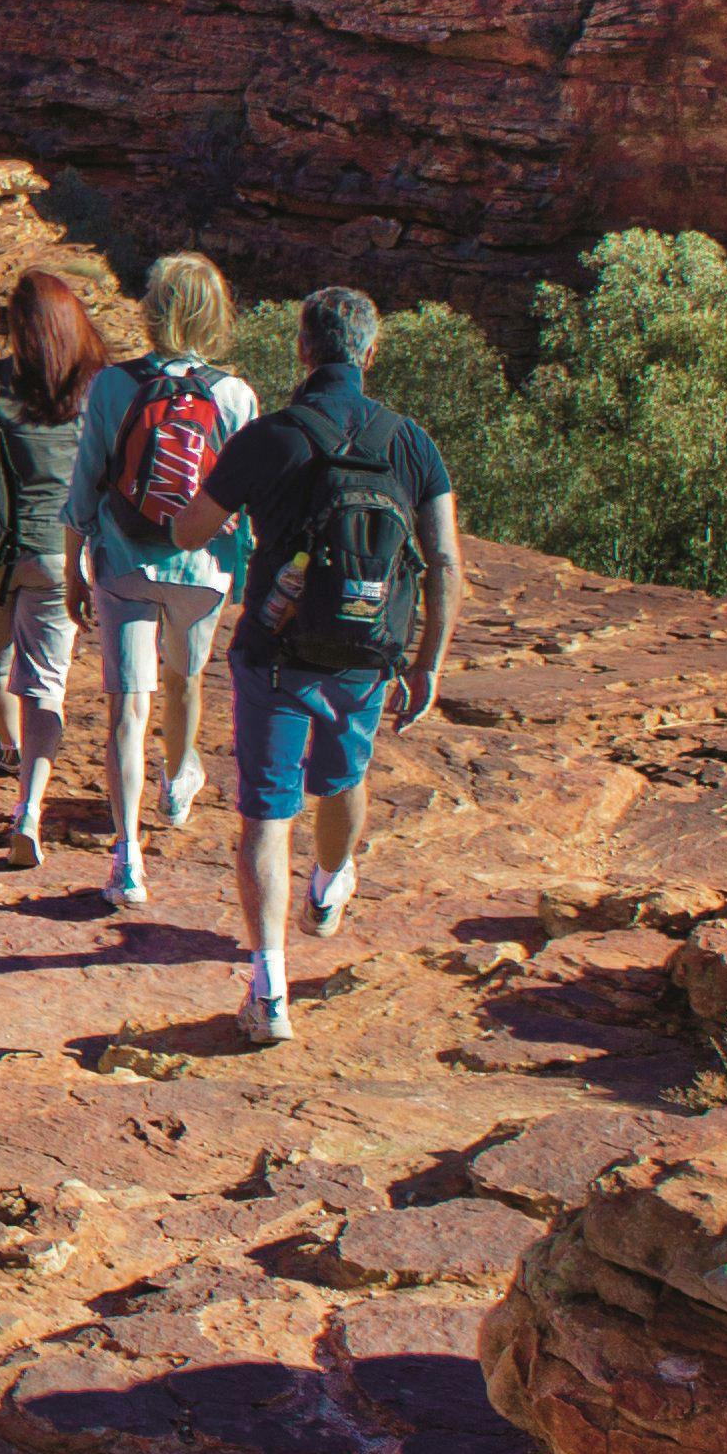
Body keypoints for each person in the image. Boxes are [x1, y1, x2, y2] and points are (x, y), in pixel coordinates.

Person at [168, 285, 461, 1047]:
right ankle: (330, 885)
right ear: (370, 351)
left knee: (267, 817)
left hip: (275, 652)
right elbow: (447, 561)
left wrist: (174, 515)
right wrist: (428, 661)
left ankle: (269, 991)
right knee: (344, 778)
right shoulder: (411, 442)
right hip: (368, 652)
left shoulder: (271, 437)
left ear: (302, 349)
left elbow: (192, 528)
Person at [63, 252, 257, 914]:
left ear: (152, 309)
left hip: (124, 560)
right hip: (203, 570)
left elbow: (87, 479)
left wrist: (73, 564)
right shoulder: (234, 395)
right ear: (214, 313)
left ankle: (127, 862)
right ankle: (178, 782)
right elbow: (240, 496)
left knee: (128, 706)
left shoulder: (114, 387)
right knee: (185, 678)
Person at [0, 270, 105, 867]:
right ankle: (30, 808)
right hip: (58, 552)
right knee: (46, 687)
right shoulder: (93, 391)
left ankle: (6, 746)